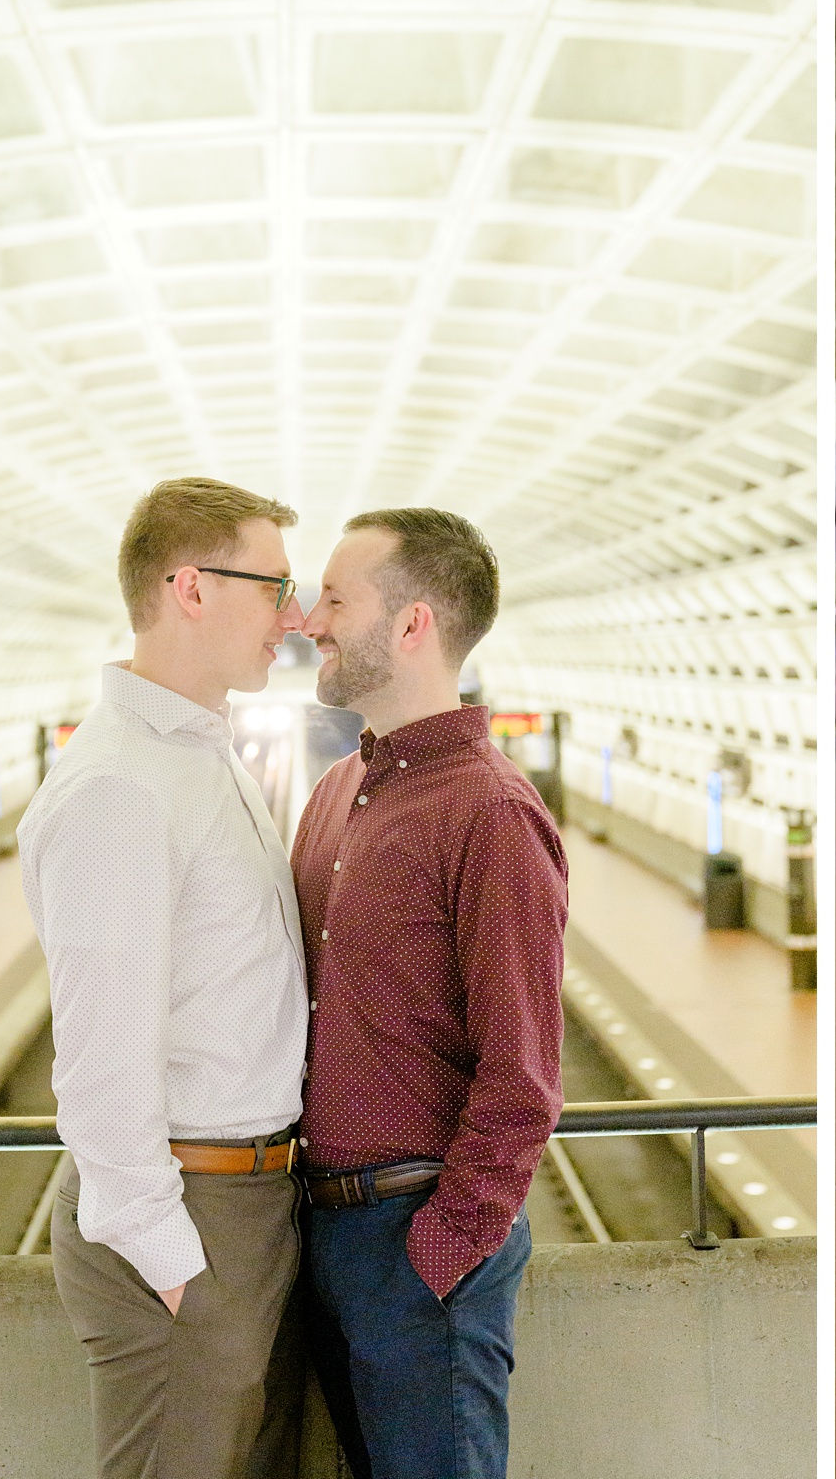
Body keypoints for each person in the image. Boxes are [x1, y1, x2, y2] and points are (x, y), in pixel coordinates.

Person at [20, 478, 311, 1479]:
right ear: (189, 585)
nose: (295, 615)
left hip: (248, 1207)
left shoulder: (198, 755)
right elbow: (99, 1060)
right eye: (274, 585)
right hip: (190, 1222)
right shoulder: (120, 786)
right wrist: (184, 1274)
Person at [291, 507, 569, 1479]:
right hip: (321, 1231)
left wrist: (438, 1257)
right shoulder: (336, 794)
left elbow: (524, 1073)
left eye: (334, 597)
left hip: (414, 1244)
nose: (307, 618)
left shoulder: (490, 815)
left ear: (413, 624)